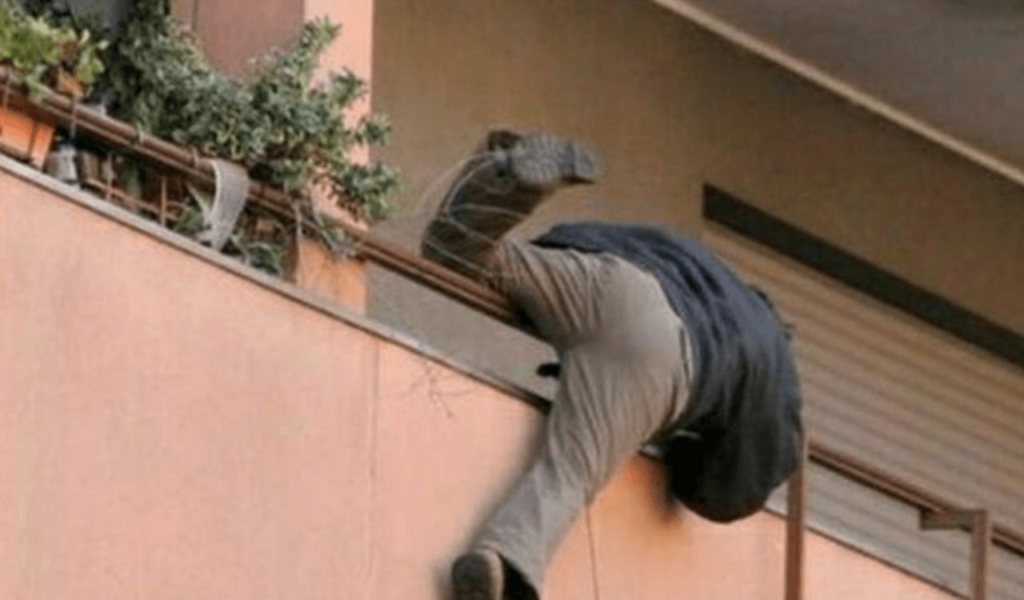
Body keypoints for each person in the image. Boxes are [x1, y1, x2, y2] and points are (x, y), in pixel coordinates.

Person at [421, 131, 802, 600]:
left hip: (609, 277)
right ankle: (502, 560)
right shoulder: (770, 355)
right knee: (569, 473)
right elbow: (739, 484)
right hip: (660, 350)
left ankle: (509, 180)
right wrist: (683, 462)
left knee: (456, 256)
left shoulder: (708, 272)